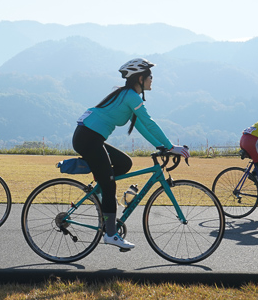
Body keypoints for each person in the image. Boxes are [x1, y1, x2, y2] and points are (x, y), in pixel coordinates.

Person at [73, 58, 190, 251]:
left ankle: (100, 189)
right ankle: (111, 234)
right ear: (141, 78)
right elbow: (150, 122)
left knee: (125, 163)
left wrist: (161, 146)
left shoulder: (129, 95)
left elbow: (143, 127)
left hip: (90, 137)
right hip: (88, 138)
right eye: (150, 76)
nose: (152, 79)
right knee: (110, 185)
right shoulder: (130, 96)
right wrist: (170, 147)